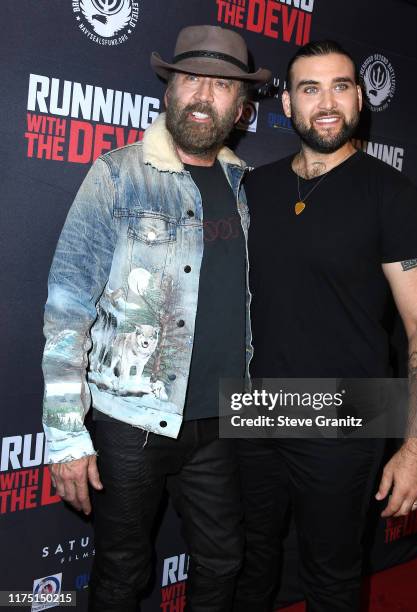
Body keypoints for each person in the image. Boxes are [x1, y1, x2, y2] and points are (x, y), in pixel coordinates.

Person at [41, 25, 270, 612]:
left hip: (220, 421)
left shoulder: (245, 187)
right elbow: (68, 307)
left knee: (223, 560)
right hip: (130, 422)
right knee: (122, 572)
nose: (201, 95)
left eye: (219, 85)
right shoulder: (118, 174)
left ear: (241, 108)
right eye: (190, 78)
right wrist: (67, 435)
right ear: (168, 92)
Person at [234, 40, 417, 611]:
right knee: (250, 563)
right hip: (253, 409)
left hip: (343, 412)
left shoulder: (393, 196)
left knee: (330, 578)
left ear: (360, 97)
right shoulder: (255, 188)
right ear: (287, 101)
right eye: (310, 88)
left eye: (340, 86)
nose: (326, 102)